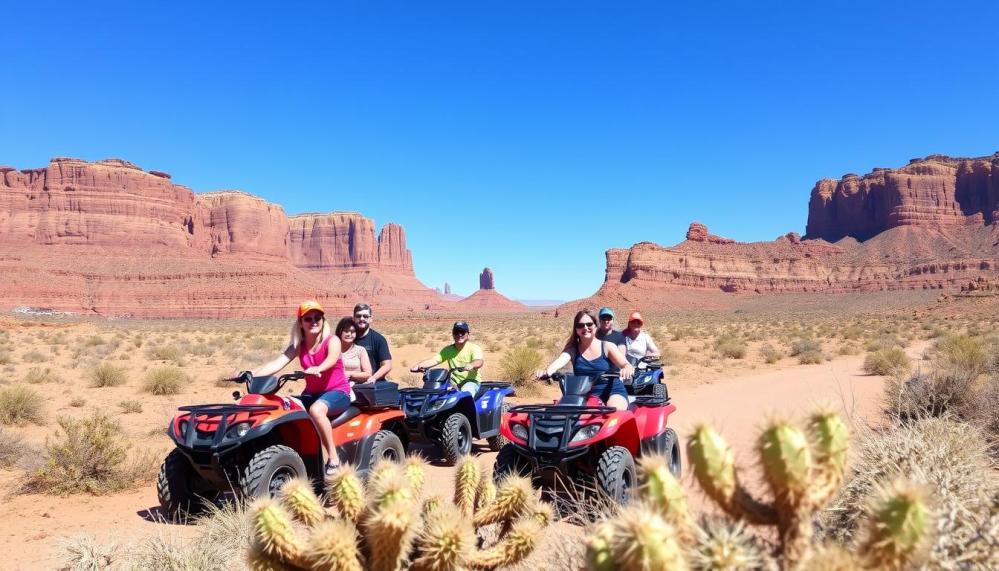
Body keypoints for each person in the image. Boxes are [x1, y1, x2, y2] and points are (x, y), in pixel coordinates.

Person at [249, 301, 350, 476]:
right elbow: (277, 363)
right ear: (301, 323)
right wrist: (250, 374)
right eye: (308, 318)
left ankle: (333, 458)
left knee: (317, 410)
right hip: (311, 394)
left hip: (338, 392)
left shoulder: (332, 340)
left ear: (323, 320)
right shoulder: (299, 345)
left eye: (317, 318)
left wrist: (319, 367)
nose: (313, 322)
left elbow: (332, 359)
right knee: (282, 405)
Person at [536, 309, 634, 411]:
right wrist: (547, 372)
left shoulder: (607, 346)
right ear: (576, 329)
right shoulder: (573, 349)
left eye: (589, 324)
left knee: (614, 409)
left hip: (612, 391)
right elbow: (560, 360)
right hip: (584, 394)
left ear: (596, 326)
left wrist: (626, 368)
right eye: (580, 325)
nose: (585, 328)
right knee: (564, 413)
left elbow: (625, 364)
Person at [410, 321, 484, 396]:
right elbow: (434, 360)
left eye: (462, 332)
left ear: (468, 334)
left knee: (465, 393)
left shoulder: (474, 348)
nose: (459, 335)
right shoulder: (448, 350)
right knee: (437, 392)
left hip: (471, 382)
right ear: (453, 334)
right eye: (456, 332)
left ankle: (466, 407)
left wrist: (471, 365)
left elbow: (479, 361)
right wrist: (418, 366)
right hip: (453, 382)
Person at [353, 303, 393, 383]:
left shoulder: (379, 339)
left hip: (373, 383)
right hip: (350, 383)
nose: (362, 319)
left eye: (365, 316)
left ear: (370, 319)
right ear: (353, 318)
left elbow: (387, 365)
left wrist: (373, 378)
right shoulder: (347, 338)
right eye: (358, 316)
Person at [335, 316, 372, 400]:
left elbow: (368, 374)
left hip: (356, 389)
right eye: (346, 331)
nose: (349, 334)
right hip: (335, 387)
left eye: (352, 331)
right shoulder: (333, 350)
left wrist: (350, 375)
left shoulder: (360, 350)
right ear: (340, 332)